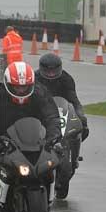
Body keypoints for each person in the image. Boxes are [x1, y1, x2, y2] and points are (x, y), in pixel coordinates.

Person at [0, 61, 61, 211]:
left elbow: (52, 117)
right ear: (7, 83)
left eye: (25, 86)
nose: (21, 90)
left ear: (31, 84)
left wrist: (54, 138)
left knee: (55, 158)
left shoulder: (40, 93)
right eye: (17, 86)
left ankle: (51, 194)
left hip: (32, 137)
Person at [35, 53, 87, 197]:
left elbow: (73, 98)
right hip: (42, 113)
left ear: (59, 68)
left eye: (54, 70)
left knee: (82, 124)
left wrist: (80, 115)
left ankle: (74, 156)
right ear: (41, 68)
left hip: (61, 111)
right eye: (48, 70)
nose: (51, 74)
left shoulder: (66, 79)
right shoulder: (35, 78)